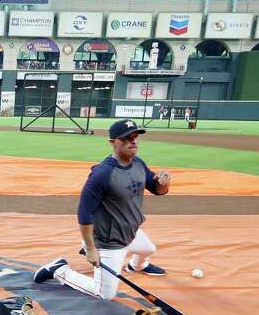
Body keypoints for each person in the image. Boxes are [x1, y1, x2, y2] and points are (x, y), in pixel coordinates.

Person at [33, 119, 170, 301]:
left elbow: (158, 190)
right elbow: (84, 212)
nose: (133, 142)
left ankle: (136, 266)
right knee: (104, 294)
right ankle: (59, 271)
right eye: (127, 138)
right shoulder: (102, 174)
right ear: (113, 142)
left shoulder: (138, 164)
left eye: (135, 137)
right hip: (109, 241)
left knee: (149, 248)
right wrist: (91, 248)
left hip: (131, 232)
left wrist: (164, 183)